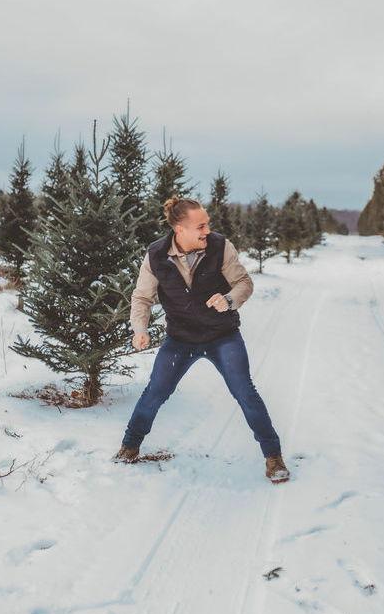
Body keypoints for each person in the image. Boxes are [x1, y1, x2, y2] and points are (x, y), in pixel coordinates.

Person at [115, 196, 290, 483]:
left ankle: (273, 457)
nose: (207, 230)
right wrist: (140, 329)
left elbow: (243, 283)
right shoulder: (156, 255)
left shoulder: (220, 246)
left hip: (222, 336)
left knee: (245, 392)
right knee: (155, 391)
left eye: (207, 224)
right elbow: (142, 297)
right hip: (180, 339)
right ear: (179, 229)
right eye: (201, 226)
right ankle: (129, 446)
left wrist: (229, 300)